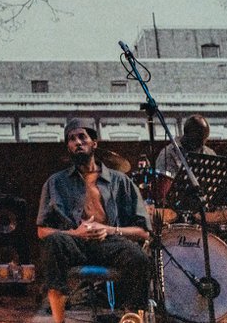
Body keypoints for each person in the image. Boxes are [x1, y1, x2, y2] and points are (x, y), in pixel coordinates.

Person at [37, 119, 151, 323]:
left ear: (94, 143)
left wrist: (108, 229)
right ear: (68, 147)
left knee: (139, 258)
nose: (77, 142)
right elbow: (42, 231)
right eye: (72, 139)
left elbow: (143, 232)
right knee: (54, 243)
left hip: (110, 243)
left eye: (82, 137)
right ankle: (58, 320)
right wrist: (75, 233)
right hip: (74, 243)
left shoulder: (120, 181)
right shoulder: (55, 182)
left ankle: (133, 318)